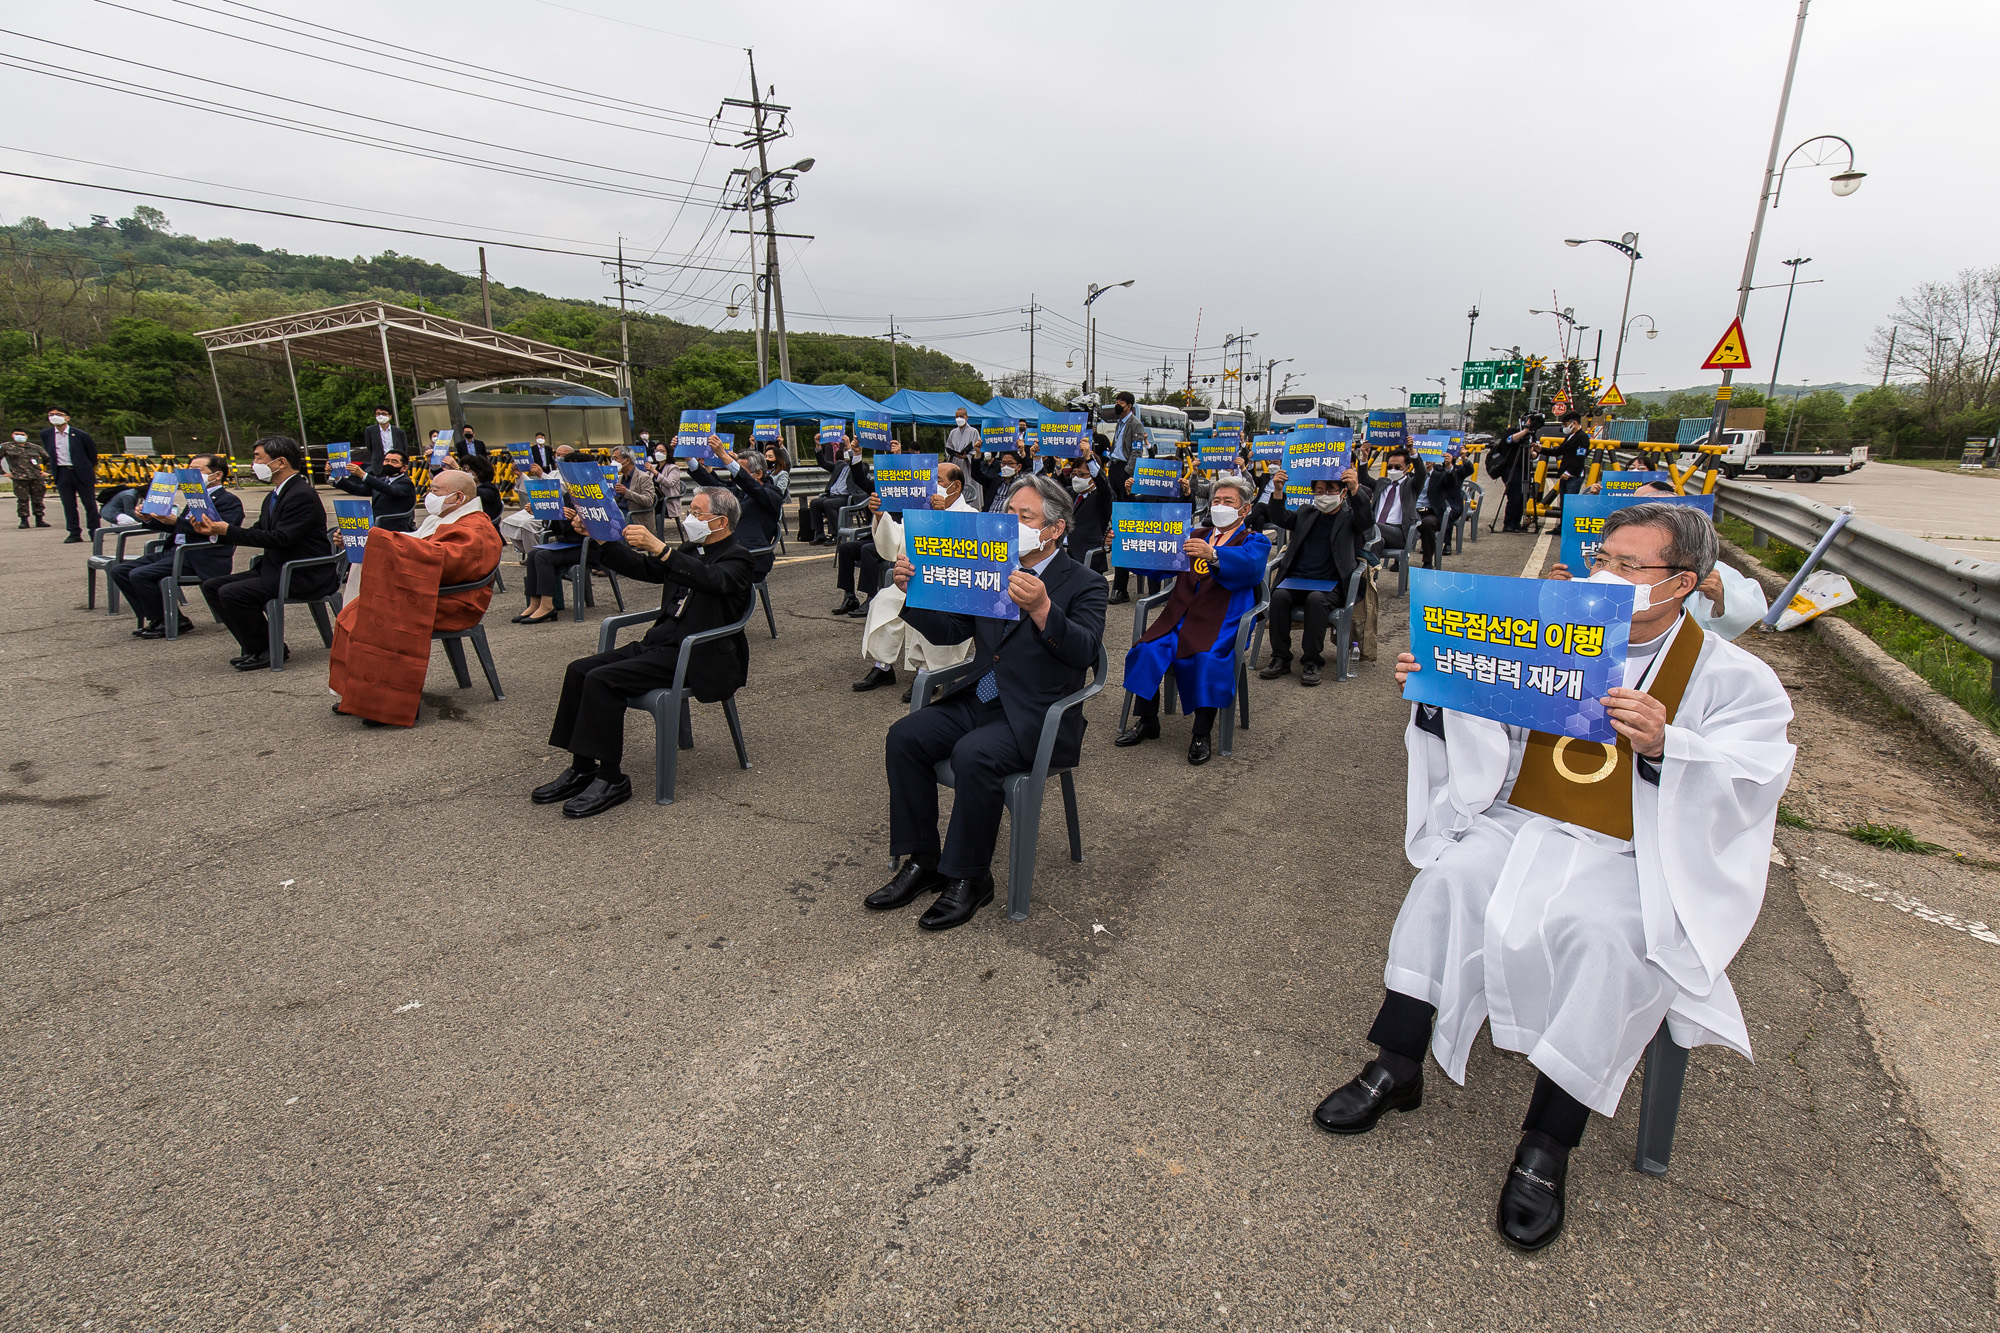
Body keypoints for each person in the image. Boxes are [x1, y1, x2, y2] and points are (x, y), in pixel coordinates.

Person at [1311, 502, 1795, 1252]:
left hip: (1636, 852)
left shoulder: (1735, 677)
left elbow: (1754, 772)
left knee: (1611, 939)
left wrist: (1672, 743)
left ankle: (1547, 1142)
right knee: (1448, 879)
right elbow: (1493, 730)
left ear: (1684, 584)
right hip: (1526, 824)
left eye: (1632, 566)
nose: (1609, 574)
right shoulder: (1552, 637)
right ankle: (1396, 1065)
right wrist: (1443, 694)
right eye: (1605, 556)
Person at [871, 473, 1108, 930]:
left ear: (1054, 529)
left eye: (1026, 516)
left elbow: (1084, 652)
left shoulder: (1085, 583)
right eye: (1008, 514)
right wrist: (911, 593)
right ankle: (923, 860)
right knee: (905, 736)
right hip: (978, 695)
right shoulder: (989, 569)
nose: (1012, 524)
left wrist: (1042, 610)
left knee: (973, 754)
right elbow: (953, 631)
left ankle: (970, 877)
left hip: (1035, 713)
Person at [531, 487, 754, 818]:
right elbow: (645, 569)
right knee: (579, 670)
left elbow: (713, 579)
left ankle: (611, 778)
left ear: (720, 522)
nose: (689, 518)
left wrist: (661, 549)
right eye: (690, 510)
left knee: (603, 680)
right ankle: (582, 766)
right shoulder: (692, 548)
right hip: (660, 644)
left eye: (697, 513)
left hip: (696, 655)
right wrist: (605, 541)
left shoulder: (739, 558)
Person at [1113, 474, 1270, 764]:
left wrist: (1214, 554)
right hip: (1179, 616)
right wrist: (1124, 545)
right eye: (1216, 500)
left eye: (1228, 501)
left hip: (1222, 622)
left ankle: (1201, 733)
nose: (1220, 505)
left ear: (1245, 509)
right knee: (1145, 650)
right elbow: (1160, 563)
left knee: (1207, 660)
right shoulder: (1193, 535)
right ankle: (1148, 721)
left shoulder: (1254, 541)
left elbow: (1250, 570)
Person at [327, 468, 503, 727]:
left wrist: (380, 541)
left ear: (458, 498)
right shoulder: (447, 518)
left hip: (455, 602)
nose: (428, 496)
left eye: (435, 491)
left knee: (379, 619)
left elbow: (443, 559)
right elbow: (418, 542)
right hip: (435, 592)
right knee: (353, 613)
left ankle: (388, 705)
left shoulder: (475, 526)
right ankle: (358, 695)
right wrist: (364, 540)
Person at [1550, 481, 1769, 639]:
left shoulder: (1724, 676)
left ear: (1684, 583)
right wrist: (1555, 595)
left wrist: (1721, 595)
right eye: (1599, 560)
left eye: (1627, 566)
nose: (1606, 575)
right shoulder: (1572, 645)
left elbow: (1746, 612)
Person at [190, 436, 337, 670]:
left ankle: (269, 649)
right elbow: (259, 531)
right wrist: (219, 531)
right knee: (213, 587)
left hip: (302, 572)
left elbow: (282, 538)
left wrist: (228, 529)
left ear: (280, 462)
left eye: (258, 458)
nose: (253, 464)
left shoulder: (301, 495)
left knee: (232, 593)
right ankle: (257, 646)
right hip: (276, 567)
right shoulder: (274, 495)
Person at [852, 461, 978, 695]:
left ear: (956, 486)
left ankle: (929, 674)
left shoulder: (970, 515)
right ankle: (883, 666)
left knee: (929, 610)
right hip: (913, 583)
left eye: (939, 481)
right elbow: (896, 542)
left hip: (947, 588)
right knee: (885, 600)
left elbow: (969, 557)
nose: (933, 486)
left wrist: (944, 518)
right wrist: (881, 516)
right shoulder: (922, 514)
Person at [1259, 465, 1374, 685]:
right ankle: (1280, 658)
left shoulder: (1350, 518)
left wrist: (1356, 489)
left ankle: (1312, 661)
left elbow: (1366, 521)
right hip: (1298, 581)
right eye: (1319, 491)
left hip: (1331, 586)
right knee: (1280, 596)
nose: (1324, 496)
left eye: (1330, 490)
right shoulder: (1306, 513)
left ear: (1342, 493)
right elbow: (1280, 517)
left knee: (1316, 600)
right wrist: (1278, 490)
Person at [113, 453, 243, 638]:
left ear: (217, 475)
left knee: (140, 575)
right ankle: (159, 617)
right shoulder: (195, 497)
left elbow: (219, 531)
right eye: (189, 471)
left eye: (197, 471)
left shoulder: (228, 501)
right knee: (120, 571)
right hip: (176, 551)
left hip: (199, 555)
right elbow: (177, 527)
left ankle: (168, 620)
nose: (191, 475)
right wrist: (150, 518)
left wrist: (176, 522)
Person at [691, 438, 782, 573]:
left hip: (752, 557)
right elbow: (712, 485)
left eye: (740, 470)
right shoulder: (738, 491)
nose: (735, 475)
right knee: (682, 560)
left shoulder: (772, 494)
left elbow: (753, 487)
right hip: (726, 554)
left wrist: (723, 454)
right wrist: (688, 457)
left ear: (758, 474)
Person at [42, 408, 98, 542]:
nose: (54, 417)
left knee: (89, 503)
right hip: (62, 472)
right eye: (51, 415)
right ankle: (74, 532)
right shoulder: (46, 434)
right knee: (68, 504)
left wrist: (86, 468)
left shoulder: (80, 435)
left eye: (58, 415)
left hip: (81, 472)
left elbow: (92, 455)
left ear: (67, 418)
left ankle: (95, 531)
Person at [1372, 446, 1434, 565]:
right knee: (1374, 542)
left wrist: (1412, 452)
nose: (1393, 470)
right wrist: (1364, 458)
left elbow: (1421, 474)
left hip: (1400, 533)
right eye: (1390, 467)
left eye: (1397, 467)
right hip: (1378, 531)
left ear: (1406, 468)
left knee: (1370, 525)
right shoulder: (1382, 483)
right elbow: (1364, 479)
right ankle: (1370, 580)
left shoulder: (1411, 486)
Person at [806, 433, 871, 544]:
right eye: (845, 450)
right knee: (815, 503)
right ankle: (819, 533)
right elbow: (823, 463)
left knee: (829, 504)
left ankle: (836, 534)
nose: (846, 453)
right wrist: (818, 446)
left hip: (847, 497)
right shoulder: (840, 465)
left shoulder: (862, 466)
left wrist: (851, 449)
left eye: (848, 451)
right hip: (833, 496)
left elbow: (858, 470)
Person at [331, 449, 418, 529]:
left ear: (404, 468)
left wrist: (363, 475)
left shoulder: (406, 483)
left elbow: (390, 490)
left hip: (397, 527)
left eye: (394, 462)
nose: (389, 464)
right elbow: (359, 489)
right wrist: (338, 478)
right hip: (376, 525)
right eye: (386, 461)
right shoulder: (381, 480)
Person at [2, 427, 50, 528]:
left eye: (22, 435)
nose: (20, 436)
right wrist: (4, 473)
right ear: (13, 435)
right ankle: (24, 520)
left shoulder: (35, 447)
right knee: (22, 500)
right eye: (17, 434)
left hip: (36, 477)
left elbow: (49, 459)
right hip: (20, 478)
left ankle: (39, 519)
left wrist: (47, 472)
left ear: (26, 436)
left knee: (38, 499)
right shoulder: (6, 447)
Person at [607, 446, 657, 521]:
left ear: (627, 460)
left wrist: (626, 492)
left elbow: (649, 501)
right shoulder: (619, 478)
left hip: (635, 516)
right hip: (619, 513)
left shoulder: (644, 478)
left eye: (615, 458)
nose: (613, 462)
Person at [355, 405, 408, 471]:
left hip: (397, 466)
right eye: (378, 414)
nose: (381, 416)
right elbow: (370, 448)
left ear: (390, 416)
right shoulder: (370, 431)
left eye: (383, 414)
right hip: (379, 467)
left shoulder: (399, 432)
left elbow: (404, 449)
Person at [1552, 411, 1591, 497]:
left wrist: (1569, 472)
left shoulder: (1582, 437)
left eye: (1566, 425)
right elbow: (1558, 451)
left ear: (1574, 423)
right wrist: (1540, 450)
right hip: (1564, 475)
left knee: (1570, 502)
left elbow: (1580, 457)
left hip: (1574, 476)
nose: (1565, 427)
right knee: (1563, 503)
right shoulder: (1570, 436)